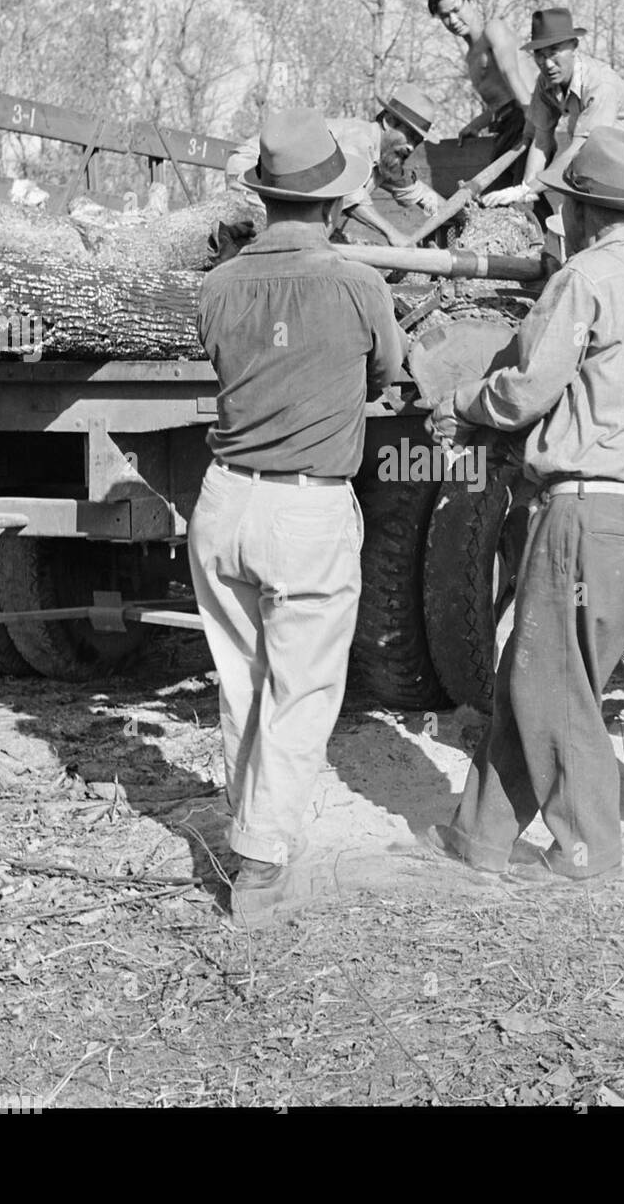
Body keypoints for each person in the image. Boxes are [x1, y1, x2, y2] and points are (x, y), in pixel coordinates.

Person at [422, 127, 624, 882]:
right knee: (536, 674)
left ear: (585, 210)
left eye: (564, 204)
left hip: (580, 510)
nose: (559, 218)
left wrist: (466, 404)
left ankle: (588, 846)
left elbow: (531, 385)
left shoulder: (587, 277)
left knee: (548, 682)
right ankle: (480, 836)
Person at [189, 108, 407, 921]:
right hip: (305, 504)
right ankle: (262, 860)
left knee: (242, 679)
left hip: (224, 500)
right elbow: (389, 372)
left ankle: (248, 827)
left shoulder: (217, 286)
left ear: (265, 201)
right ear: (331, 206)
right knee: (302, 687)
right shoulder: (358, 282)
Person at [482, 8, 624, 212]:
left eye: (553, 52)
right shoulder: (545, 84)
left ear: (574, 46)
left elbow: (581, 149)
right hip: (611, 171)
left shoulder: (600, 84)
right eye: (540, 55)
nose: (548, 64)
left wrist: (528, 189)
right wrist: (524, 192)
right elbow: (541, 140)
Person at [224, 84, 444, 248]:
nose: (411, 146)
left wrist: (451, 211)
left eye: (418, 141)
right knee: (283, 240)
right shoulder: (359, 138)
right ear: (389, 122)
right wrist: (392, 234)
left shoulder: (389, 157)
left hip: (288, 188)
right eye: (409, 136)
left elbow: (417, 194)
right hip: (254, 168)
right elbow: (351, 196)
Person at [426, 0, 537, 158]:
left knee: (514, 186)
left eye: (456, 10)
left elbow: (512, 74)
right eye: (445, 16)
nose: (453, 20)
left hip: (525, 117)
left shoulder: (493, 30)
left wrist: (534, 122)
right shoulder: (471, 58)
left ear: (472, 2)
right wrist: (476, 125)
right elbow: (501, 103)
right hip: (506, 127)